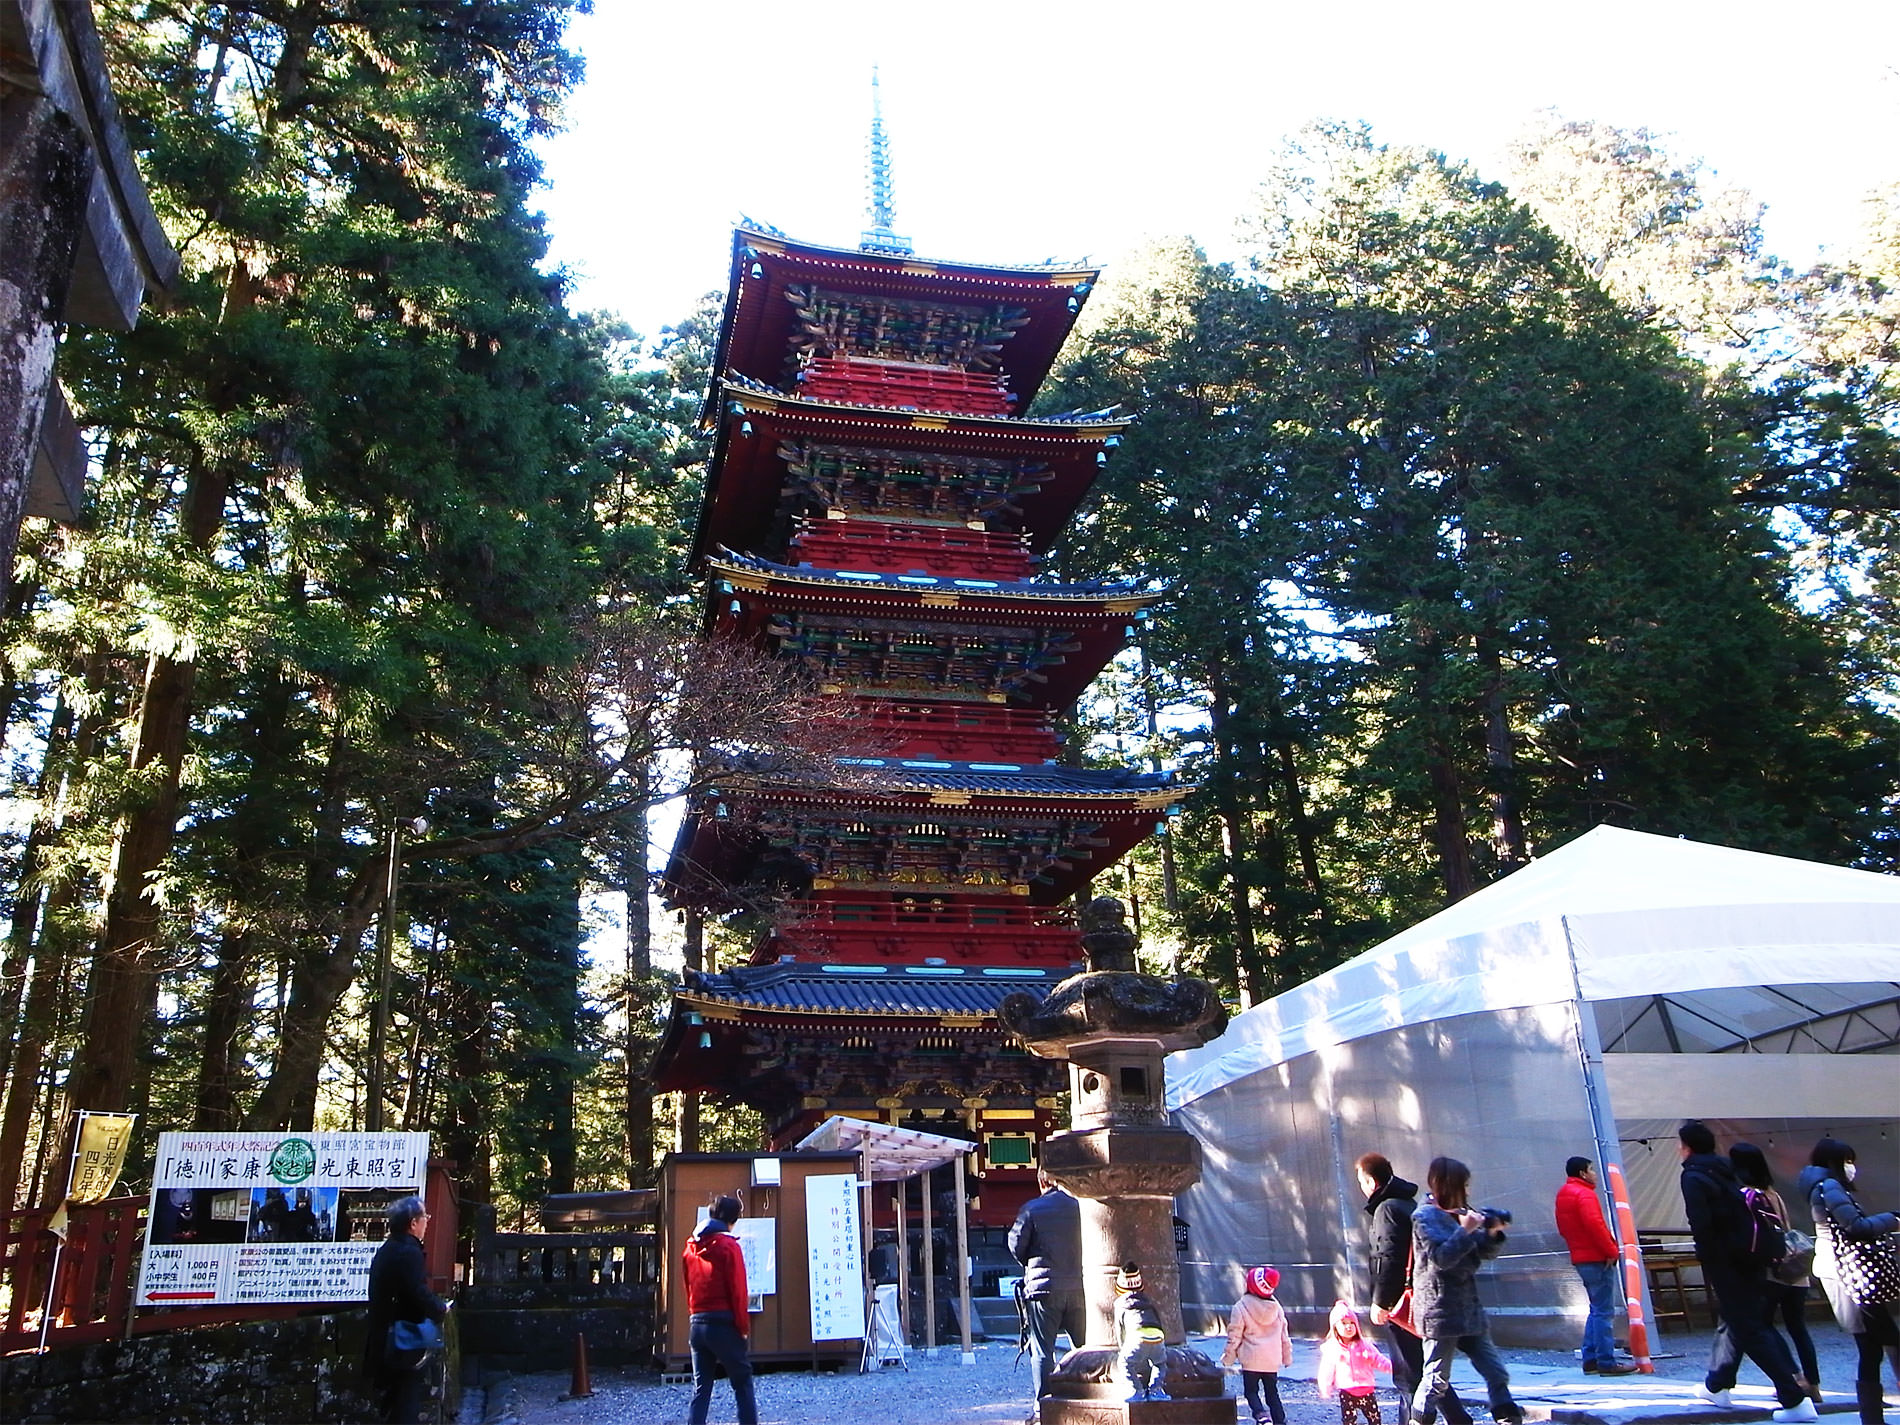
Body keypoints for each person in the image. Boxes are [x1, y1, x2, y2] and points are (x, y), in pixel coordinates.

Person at [1678, 1120, 1815, 1422]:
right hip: (1752, 1257)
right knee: (1735, 1321)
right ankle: (1717, 1384)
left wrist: (1707, 1258)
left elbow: (1701, 1223)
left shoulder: (1694, 1177)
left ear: (1686, 1147)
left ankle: (1794, 1399)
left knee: (1750, 1328)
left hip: (1725, 1261)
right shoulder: (1726, 1171)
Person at [1357, 1153, 1469, 1425]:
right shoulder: (1408, 1204)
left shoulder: (1387, 1209)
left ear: (1371, 1182)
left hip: (1402, 1303)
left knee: (1408, 1377)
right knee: (1423, 1370)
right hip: (1426, 1295)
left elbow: (1388, 1257)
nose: (1361, 1187)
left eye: (1361, 1181)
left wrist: (1381, 1301)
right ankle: (1459, 1420)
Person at [1409, 1156, 1521, 1425]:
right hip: (1440, 1310)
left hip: (1468, 1308)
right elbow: (1441, 1258)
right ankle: (1418, 1420)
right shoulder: (1424, 1216)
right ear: (1451, 1185)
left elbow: (1482, 1253)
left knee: (1495, 1370)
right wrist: (1466, 1230)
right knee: (1436, 1378)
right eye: (1465, 1185)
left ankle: (1507, 1415)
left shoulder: (1460, 1212)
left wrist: (1492, 1234)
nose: (1468, 1190)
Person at [1799, 1137, 1899, 1425]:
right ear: (1834, 1162)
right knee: (1876, 1343)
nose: (1851, 1167)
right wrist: (1892, 1219)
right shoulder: (1829, 1186)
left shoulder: (1818, 1185)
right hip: (1847, 1273)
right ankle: (1872, 1417)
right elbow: (1855, 1226)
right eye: (1848, 1161)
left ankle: (1872, 1416)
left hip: (1841, 1272)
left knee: (1878, 1342)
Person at [1715, 1143, 1819, 1402]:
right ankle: (1813, 1382)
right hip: (1796, 1269)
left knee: (1762, 1324)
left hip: (1772, 1271)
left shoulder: (1746, 1196)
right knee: (1798, 1327)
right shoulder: (1774, 1193)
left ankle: (1794, 1377)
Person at [1008, 1169, 1086, 1423]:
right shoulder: (1082, 1207)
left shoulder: (1032, 1209)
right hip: (1079, 1287)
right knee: (1085, 1348)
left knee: (1042, 1351)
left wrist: (1031, 1263)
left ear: (1042, 1181)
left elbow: (1016, 1245)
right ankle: (1087, 1399)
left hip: (1043, 1289)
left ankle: (1045, 1408)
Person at [365, 1195, 449, 1425]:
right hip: (403, 1338)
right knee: (406, 1402)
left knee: (393, 1402)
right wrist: (440, 1308)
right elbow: (416, 1292)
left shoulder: (388, 1248)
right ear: (413, 1223)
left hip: (383, 1334)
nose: (427, 1222)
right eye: (424, 1218)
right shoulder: (408, 1252)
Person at [1554, 1156, 1635, 1375]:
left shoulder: (1563, 1194)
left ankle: (1590, 1358)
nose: (1594, 1173)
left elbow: (1563, 1228)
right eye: (1591, 1169)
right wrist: (1611, 1250)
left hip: (1580, 1256)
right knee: (1604, 1311)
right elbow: (1595, 1224)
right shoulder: (1585, 1194)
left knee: (1596, 1308)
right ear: (1582, 1173)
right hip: (1597, 1257)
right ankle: (1606, 1361)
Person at [683, 1194, 757, 1425]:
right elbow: (738, 1291)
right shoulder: (729, 1247)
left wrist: (695, 1314)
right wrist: (743, 1328)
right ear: (732, 1220)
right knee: (742, 1382)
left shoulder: (690, 1248)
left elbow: (688, 1285)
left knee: (701, 1387)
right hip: (724, 1323)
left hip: (697, 1322)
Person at [1220, 1265, 1292, 1425]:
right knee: (1272, 1394)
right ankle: (1280, 1421)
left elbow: (1235, 1335)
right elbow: (1284, 1335)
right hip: (1272, 1361)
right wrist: (1287, 1357)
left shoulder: (1240, 1306)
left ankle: (1261, 1415)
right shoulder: (1277, 1307)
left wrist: (1228, 1357)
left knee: (1251, 1392)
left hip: (1251, 1360)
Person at [1318, 1300, 1392, 1425]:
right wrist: (1325, 1387)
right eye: (1344, 1323)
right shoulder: (1332, 1348)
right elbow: (1326, 1370)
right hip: (1347, 1392)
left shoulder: (1364, 1346)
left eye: (1352, 1323)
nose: (1348, 1326)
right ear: (1335, 1327)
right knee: (1349, 1420)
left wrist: (1393, 1368)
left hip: (1367, 1390)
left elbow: (1379, 1360)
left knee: (1375, 1419)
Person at [1114, 1262, 1168, 1401]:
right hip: (1157, 1335)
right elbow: (1158, 1320)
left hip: (1137, 1336)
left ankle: (1137, 1391)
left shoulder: (1120, 1303)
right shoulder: (1148, 1301)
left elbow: (1120, 1329)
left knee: (1124, 1363)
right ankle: (1156, 1390)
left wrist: (1123, 1348)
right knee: (1160, 1363)